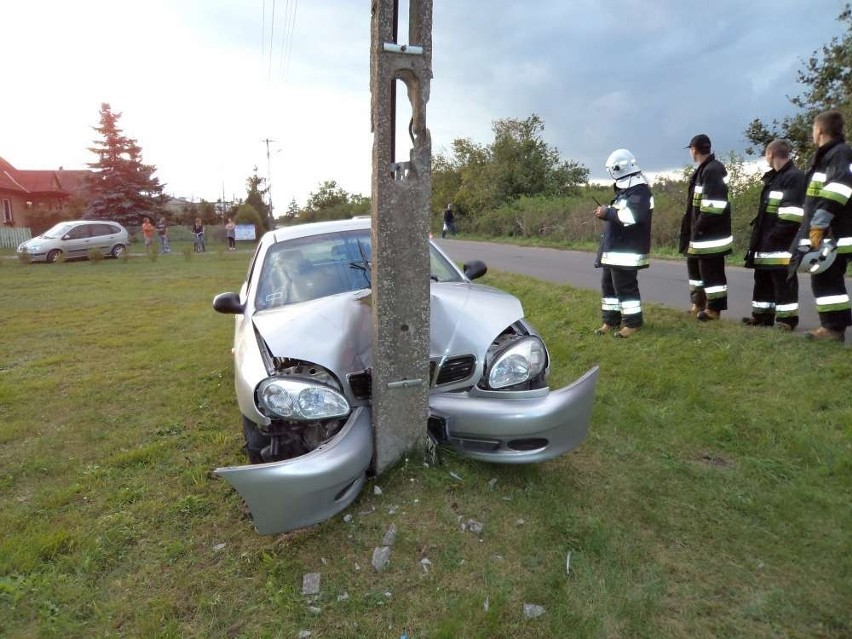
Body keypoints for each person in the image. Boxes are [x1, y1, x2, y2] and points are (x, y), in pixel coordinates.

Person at [792, 109, 852, 342]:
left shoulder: (838, 154)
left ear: (819, 130)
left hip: (833, 232)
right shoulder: (828, 155)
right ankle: (833, 327)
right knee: (826, 278)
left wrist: (818, 225)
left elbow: (838, 190)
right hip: (828, 231)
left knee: (826, 278)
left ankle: (833, 329)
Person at [742, 140, 806, 330]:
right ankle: (762, 317)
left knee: (782, 281)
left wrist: (775, 235)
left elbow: (792, 213)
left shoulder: (794, 177)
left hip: (782, 243)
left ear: (771, 154)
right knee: (762, 279)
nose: (765, 158)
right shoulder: (775, 178)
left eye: (766, 155)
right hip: (766, 240)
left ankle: (786, 321)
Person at [592, 149, 654, 338]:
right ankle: (610, 321)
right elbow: (620, 215)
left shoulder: (640, 191)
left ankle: (633, 324)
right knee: (608, 286)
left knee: (625, 288)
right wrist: (607, 212)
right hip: (614, 250)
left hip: (627, 251)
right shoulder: (626, 191)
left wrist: (607, 213)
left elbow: (632, 216)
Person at [678, 134, 733, 321]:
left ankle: (713, 310)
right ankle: (698, 303)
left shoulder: (713, 170)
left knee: (712, 274)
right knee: (695, 271)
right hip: (698, 235)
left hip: (710, 236)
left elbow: (713, 206)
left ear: (694, 150)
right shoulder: (704, 170)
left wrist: (698, 227)